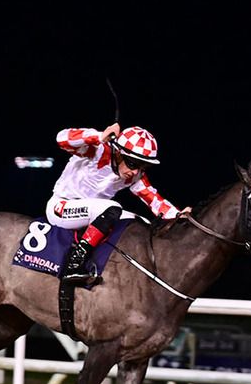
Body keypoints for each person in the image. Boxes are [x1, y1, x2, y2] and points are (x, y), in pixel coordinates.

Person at [46, 122, 189, 284]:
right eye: (132, 163)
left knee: (142, 222)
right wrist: (98, 136)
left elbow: (154, 200)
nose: (135, 172)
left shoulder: (134, 176)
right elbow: (62, 138)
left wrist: (179, 215)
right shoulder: (97, 150)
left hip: (93, 215)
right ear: (119, 153)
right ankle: (73, 266)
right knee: (113, 208)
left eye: (143, 166)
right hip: (61, 208)